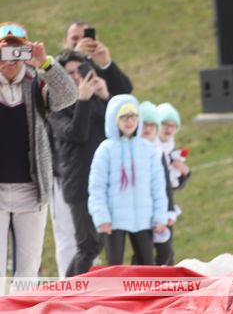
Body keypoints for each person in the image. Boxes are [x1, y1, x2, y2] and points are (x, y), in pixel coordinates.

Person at [0, 22, 77, 280]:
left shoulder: (37, 83)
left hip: (31, 192)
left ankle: (22, 303)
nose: (10, 59)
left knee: (28, 270)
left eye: (17, 51)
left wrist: (45, 63)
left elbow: (68, 96)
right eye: (4, 51)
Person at [48, 50, 112, 277]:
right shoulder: (56, 106)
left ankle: (70, 289)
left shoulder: (95, 99)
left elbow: (114, 131)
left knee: (99, 243)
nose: (76, 77)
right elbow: (77, 133)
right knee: (88, 245)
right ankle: (68, 290)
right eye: (69, 73)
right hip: (78, 183)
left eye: (79, 71)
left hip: (102, 182)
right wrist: (83, 101)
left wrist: (105, 98)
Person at [88, 95, 168, 266]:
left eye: (133, 116)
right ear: (114, 119)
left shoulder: (148, 149)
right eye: (124, 117)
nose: (129, 121)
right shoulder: (105, 149)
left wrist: (160, 216)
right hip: (114, 221)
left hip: (144, 219)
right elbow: (97, 187)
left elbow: (158, 185)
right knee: (114, 265)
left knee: (147, 265)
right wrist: (102, 217)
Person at [138, 101, 176, 266]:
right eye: (144, 124)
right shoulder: (131, 151)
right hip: (140, 212)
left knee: (165, 251)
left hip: (159, 210)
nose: (148, 129)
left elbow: (166, 186)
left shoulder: (159, 152)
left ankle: (161, 280)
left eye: (152, 125)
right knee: (142, 255)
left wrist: (169, 211)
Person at [61, 22, 133, 96]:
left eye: (85, 37)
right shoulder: (58, 64)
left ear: (95, 39)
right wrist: (75, 55)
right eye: (75, 38)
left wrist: (106, 64)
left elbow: (124, 91)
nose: (81, 42)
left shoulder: (93, 67)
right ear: (65, 42)